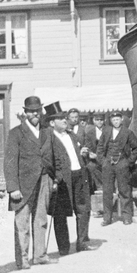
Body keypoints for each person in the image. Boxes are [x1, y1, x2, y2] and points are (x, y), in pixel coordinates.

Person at [5, 95, 55, 268]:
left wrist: (53, 178)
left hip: (44, 180)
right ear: (25, 113)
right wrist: (12, 188)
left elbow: (52, 155)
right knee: (22, 223)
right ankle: (23, 259)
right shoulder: (16, 133)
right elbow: (10, 162)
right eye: (31, 111)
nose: (35, 114)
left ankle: (40, 255)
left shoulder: (47, 131)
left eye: (37, 111)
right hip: (23, 185)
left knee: (41, 219)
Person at [47, 103, 96, 254]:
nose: (64, 121)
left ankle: (82, 243)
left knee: (83, 209)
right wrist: (56, 177)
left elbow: (79, 152)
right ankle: (63, 248)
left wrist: (84, 153)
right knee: (60, 214)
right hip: (62, 180)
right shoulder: (49, 138)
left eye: (64, 118)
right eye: (60, 118)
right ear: (52, 123)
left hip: (79, 175)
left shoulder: (72, 135)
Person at [98, 109, 137, 225]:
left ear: (121, 120)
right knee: (107, 192)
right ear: (111, 121)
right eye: (113, 120)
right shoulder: (106, 132)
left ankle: (126, 217)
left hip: (122, 164)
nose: (116, 121)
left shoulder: (128, 133)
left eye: (117, 119)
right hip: (108, 164)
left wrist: (128, 162)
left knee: (124, 190)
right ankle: (107, 218)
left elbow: (136, 149)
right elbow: (100, 148)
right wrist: (103, 161)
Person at [82, 111, 106, 212]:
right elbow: (88, 145)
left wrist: (99, 156)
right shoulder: (89, 132)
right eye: (97, 120)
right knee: (91, 167)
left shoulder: (108, 130)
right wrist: (90, 152)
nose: (99, 122)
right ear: (93, 120)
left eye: (101, 120)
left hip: (105, 158)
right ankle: (99, 190)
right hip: (94, 160)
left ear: (104, 120)